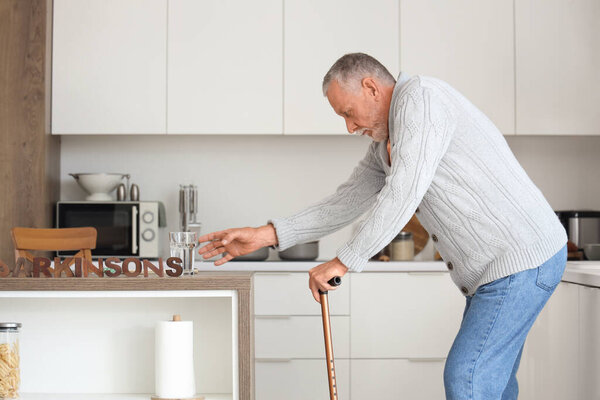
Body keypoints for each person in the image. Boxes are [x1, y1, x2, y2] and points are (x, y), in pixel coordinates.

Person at [197, 53, 567, 399]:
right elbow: (345, 201)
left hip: (521, 260)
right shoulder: (386, 142)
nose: (348, 126)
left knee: (466, 377)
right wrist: (265, 235)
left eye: (349, 112)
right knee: (491, 385)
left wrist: (342, 262)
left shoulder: (420, 101)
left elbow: (403, 193)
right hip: (501, 270)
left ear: (372, 88)